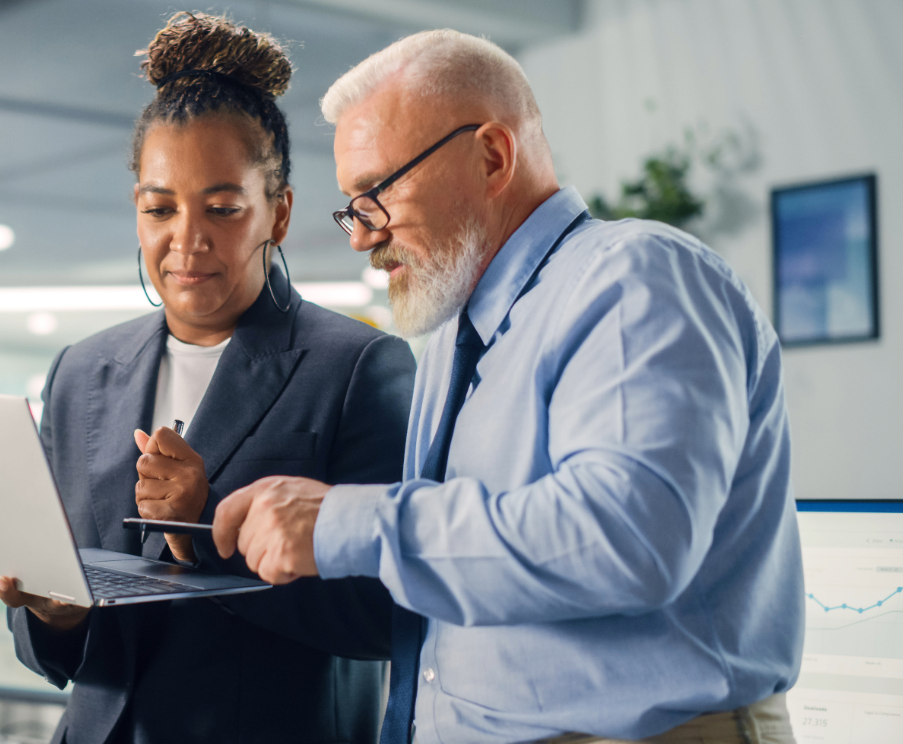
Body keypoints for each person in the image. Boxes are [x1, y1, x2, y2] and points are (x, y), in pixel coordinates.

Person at [212, 29, 805, 744]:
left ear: (491, 156)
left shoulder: (632, 277)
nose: (360, 235)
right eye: (352, 203)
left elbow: (622, 539)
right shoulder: (449, 345)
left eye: (376, 192)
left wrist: (341, 522)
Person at [0, 13, 416, 744]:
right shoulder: (82, 371)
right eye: (159, 209)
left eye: (223, 209)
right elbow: (58, 647)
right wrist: (53, 609)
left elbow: (386, 615)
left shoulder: (356, 366)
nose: (187, 240)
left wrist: (206, 529)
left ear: (280, 213)